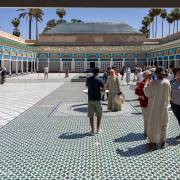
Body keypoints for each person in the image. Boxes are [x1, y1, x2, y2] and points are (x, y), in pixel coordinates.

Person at [144, 67, 171, 150]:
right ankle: (163, 142)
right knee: (163, 125)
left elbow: (147, 93)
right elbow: (169, 94)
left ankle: (153, 143)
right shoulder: (167, 82)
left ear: (156, 74)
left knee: (153, 125)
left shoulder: (153, 83)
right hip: (164, 107)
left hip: (155, 108)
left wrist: (146, 84)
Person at [86, 67, 105, 135]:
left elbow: (87, 86)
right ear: (98, 72)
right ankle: (98, 129)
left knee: (91, 116)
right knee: (99, 115)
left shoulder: (88, 79)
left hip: (90, 99)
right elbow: (103, 90)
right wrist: (99, 89)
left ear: (92, 72)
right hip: (98, 99)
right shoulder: (100, 80)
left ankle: (92, 131)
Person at [135, 70, 151, 138]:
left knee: (148, 118)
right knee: (146, 118)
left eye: (150, 75)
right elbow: (137, 91)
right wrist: (141, 96)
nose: (150, 77)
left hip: (149, 103)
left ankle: (148, 132)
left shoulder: (150, 82)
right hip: (145, 103)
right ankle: (146, 132)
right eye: (149, 75)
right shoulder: (142, 83)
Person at [170, 67, 180, 139]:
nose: (178, 74)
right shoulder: (173, 81)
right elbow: (169, 92)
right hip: (174, 104)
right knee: (179, 119)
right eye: (177, 72)